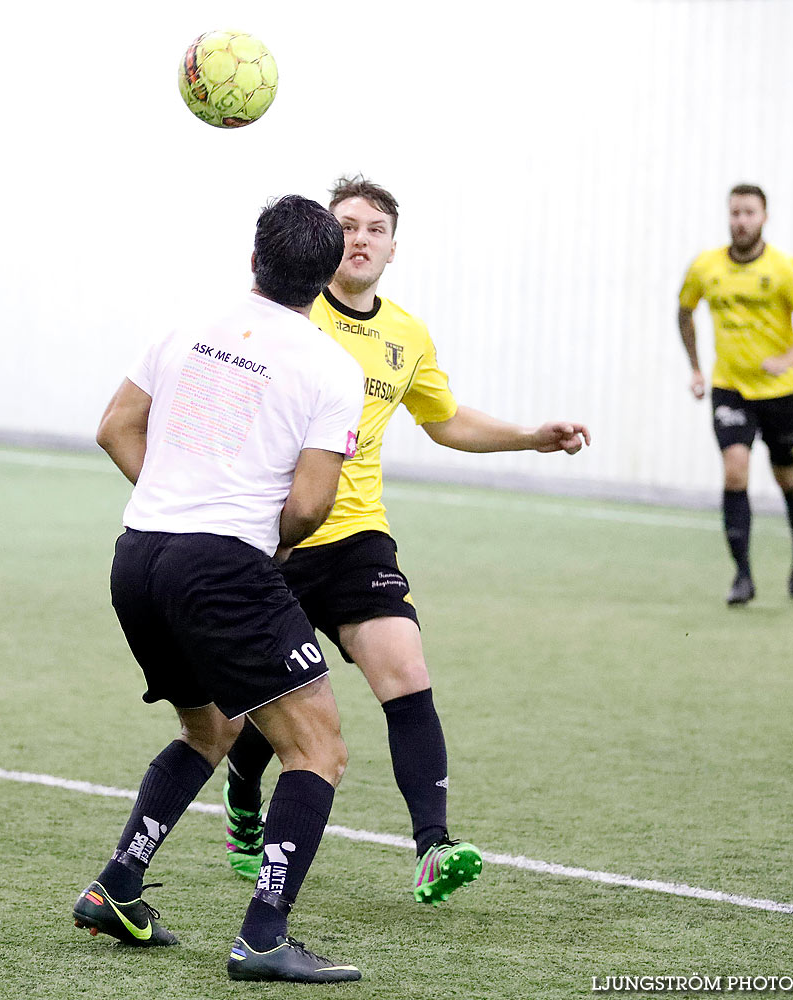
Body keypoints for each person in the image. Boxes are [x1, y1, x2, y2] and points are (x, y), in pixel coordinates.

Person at [221, 176, 591, 907]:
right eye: (347, 225)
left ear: (394, 246)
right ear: (324, 239)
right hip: (273, 534)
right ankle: (242, 787)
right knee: (288, 693)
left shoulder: (407, 335)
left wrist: (529, 438)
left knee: (406, 670)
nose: (360, 238)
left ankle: (432, 846)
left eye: (375, 228)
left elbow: (444, 418)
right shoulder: (284, 315)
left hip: (357, 536)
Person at [74, 194, 366, 984]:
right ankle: (264, 936)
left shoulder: (185, 326)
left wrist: (175, 502)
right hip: (221, 569)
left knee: (212, 730)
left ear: (253, 259)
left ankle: (117, 886)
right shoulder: (333, 367)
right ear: (327, 276)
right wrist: (246, 544)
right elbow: (308, 504)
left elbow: (113, 427)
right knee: (318, 750)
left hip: (139, 555)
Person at [678, 183, 793, 605]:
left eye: (749, 213)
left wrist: (788, 358)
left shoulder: (784, 268)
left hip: (782, 392)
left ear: (764, 217)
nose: (740, 220)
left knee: (786, 478)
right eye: (735, 212)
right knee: (735, 471)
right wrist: (695, 367)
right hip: (731, 388)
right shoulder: (706, 267)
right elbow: (684, 310)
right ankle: (742, 576)